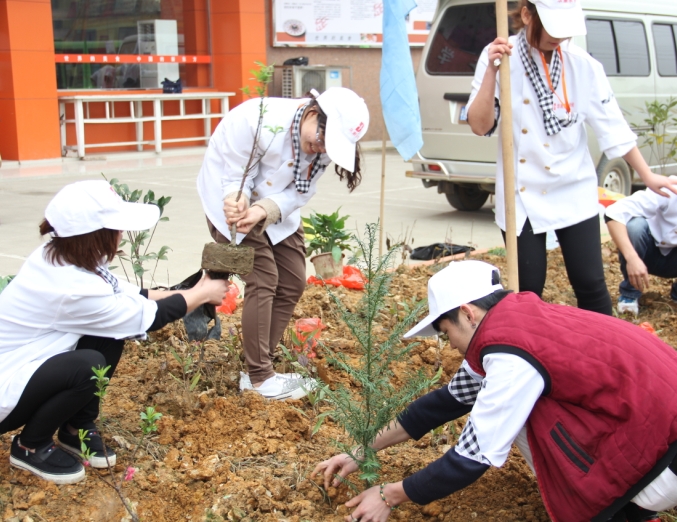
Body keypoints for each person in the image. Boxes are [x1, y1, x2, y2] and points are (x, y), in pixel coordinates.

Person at [312, 260, 677, 522]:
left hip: (664, 458)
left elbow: (472, 458)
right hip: (657, 426)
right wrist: (361, 450)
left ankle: (626, 510)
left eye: (446, 332)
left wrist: (389, 495)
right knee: (510, 404)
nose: (449, 345)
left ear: (467, 314)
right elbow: (446, 402)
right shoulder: (515, 322)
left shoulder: (510, 356)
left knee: (520, 413)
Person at [0, 180, 229, 485]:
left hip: (27, 362)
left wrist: (194, 291)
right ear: (96, 236)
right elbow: (146, 317)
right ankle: (30, 446)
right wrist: (201, 295)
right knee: (87, 367)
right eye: (116, 228)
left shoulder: (63, 254)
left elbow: (128, 294)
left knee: (108, 335)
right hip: (6, 390)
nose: (122, 234)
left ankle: (76, 428)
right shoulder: (70, 287)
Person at [466, 0, 677, 316]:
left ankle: (603, 345)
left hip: (573, 185)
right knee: (528, 289)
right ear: (526, 14)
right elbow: (480, 125)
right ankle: (528, 345)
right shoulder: (500, 55)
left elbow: (613, 127)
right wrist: (492, 72)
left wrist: (647, 175)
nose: (559, 36)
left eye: (565, 28)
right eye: (553, 27)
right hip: (522, 192)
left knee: (590, 282)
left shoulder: (583, 65)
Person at [197, 87, 369, 400]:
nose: (320, 149)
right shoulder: (254, 119)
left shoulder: (320, 147)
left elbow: (300, 191)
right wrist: (239, 200)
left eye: (327, 146)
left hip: (275, 209)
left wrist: (264, 209)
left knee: (291, 281)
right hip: (230, 200)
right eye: (321, 139)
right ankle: (260, 378)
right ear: (313, 113)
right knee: (263, 279)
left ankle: (260, 363)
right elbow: (235, 174)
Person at [605, 176, 677, 316]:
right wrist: (632, 258)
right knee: (635, 227)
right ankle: (630, 294)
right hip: (644, 252)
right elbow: (614, 213)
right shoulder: (670, 189)